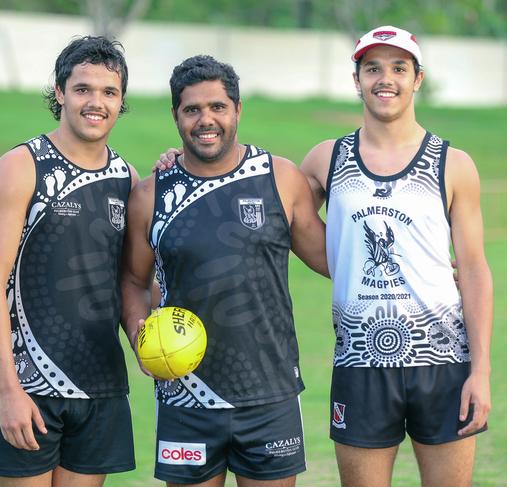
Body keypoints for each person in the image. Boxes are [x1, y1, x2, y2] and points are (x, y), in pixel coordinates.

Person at [121, 55, 328, 487]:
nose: (205, 120)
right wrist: (140, 334)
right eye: (192, 109)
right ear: (176, 116)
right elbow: (133, 281)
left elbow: (332, 258)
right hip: (186, 394)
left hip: (269, 393)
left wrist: (423, 268)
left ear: (237, 110)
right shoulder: (150, 195)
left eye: (217, 106)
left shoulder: (279, 178)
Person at [300, 26, 493, 486]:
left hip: (443, 361)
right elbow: (282, 217)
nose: (385, 79)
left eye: (398, 68)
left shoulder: (454, 163)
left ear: (418, 78)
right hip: (360, 362)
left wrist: (481, 372)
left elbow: (474, 270)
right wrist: (176, 159)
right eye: (373, 69)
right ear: (357, 79)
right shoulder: (327, 159)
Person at [0, 36, 139, 486]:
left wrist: (146, 339)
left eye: (109, 92)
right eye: (83, 89)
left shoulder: (127, 179)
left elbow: (128, 284)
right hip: (28, 385)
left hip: (99, 385)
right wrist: (8, 390)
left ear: (121, 101)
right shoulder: (22, 165)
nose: (96, 103)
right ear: (60, 92)